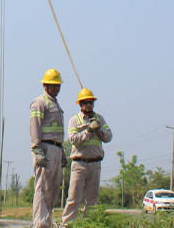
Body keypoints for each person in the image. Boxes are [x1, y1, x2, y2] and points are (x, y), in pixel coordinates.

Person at [61, 88, 112, 225]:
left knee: (92, 199)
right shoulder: (74, 120)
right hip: (79, 163)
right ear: (80, 104)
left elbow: (108, 137)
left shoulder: (99, 118)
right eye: (85, 102)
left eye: (90, 102)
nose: (88, 105)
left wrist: (98, 129)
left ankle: (89, 224)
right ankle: (67, 225)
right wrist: (88, 130)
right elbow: (73, 139)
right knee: (73, 197)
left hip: (95, 164)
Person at [30, 68, 66, 228]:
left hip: (56, 149)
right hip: (45, 148)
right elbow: (35, 127)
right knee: (43, 188)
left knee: (53, 189)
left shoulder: (55, 104)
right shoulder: (40, 103)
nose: (56, 88)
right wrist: (37, 150)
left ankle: (47, 222)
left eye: (58, 85)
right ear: (45, 85)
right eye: (53, 85)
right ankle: (40, 224)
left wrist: (62, 151)